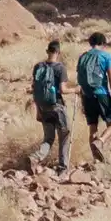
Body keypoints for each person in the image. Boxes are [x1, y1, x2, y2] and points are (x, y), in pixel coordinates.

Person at [29, 41, 71, 175]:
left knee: (49, 138)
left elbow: (34, 88)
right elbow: (63, 90)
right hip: (57, 106)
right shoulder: (60, 68)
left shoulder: (38, 67)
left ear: (47, 51)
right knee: (64, 135)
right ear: (58, 53)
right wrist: (76, 89)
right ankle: (63, 167)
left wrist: (38, 110)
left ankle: (36, 157)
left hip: (43, 107)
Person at [75, 32, 111, 164]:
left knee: (93, 128)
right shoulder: (106, 56)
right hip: (102, 93)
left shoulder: (83, 57)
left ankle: (96, 160)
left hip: (87, 95)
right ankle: (100, 141)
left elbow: (79, 77)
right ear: (103, 43)